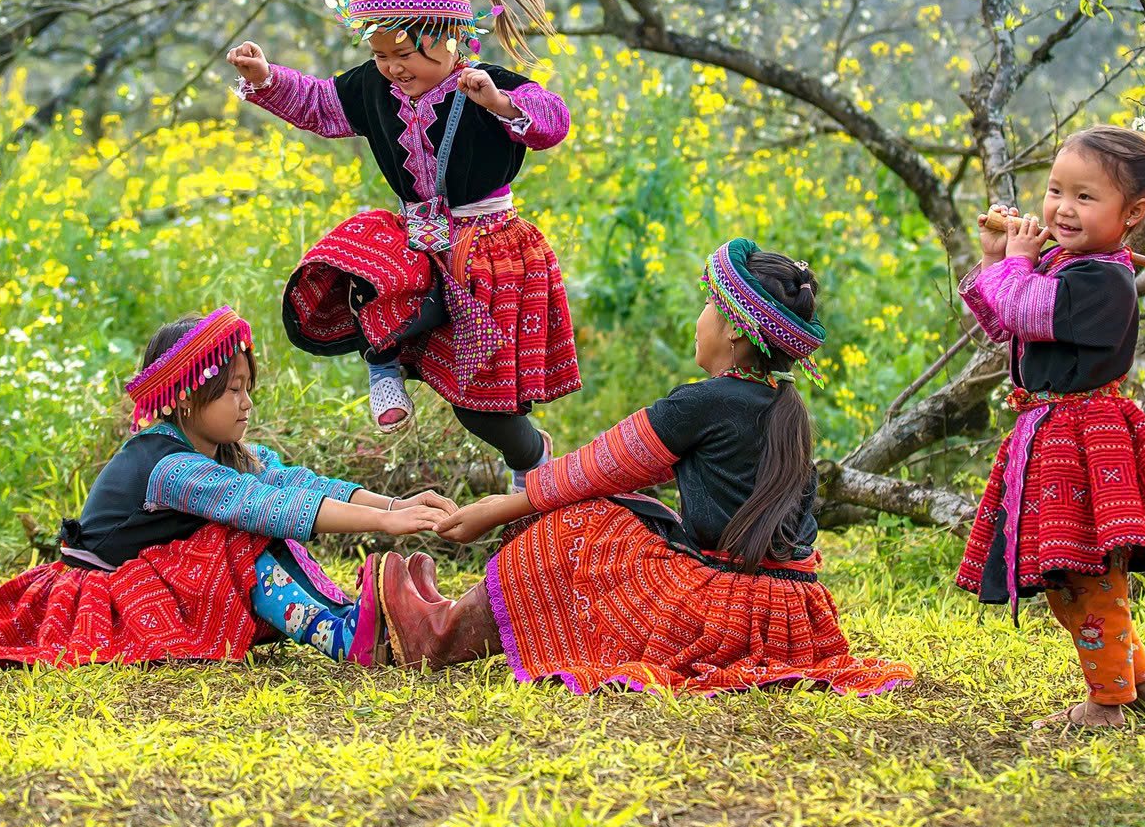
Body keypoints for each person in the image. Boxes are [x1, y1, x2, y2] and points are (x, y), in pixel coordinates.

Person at [387, 240, 915, 697]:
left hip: (726, 612)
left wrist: (500, 507)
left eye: (711, 303)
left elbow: (597, 468)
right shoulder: (788, 408)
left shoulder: (704, 403)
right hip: (795, 618)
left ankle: (440, 634)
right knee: (635, 510)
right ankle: (459, 613)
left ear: (733, 328)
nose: (701, 316)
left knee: (581, 523)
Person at [0, 308, 452, 667]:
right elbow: (263, 506)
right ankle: (351, 632)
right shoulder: (169, 467)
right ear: (186, 397)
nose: (246, 403)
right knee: (239, 536)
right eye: (232, 390)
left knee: (248, 524)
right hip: (110, 595)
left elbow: (295, 484)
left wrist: (395, 505)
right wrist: (384, 523)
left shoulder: (221, 454)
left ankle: (358, 620)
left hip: (157, 581)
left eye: (246, 388)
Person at [228, 0, 578, 485]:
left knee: (479, 403)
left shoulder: (487, 82)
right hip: (416, 233)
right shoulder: (374, 86)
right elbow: (321, 103)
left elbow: (553, 121)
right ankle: (382, 362)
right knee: (360, 258)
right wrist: (266, 78)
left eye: (404, 53)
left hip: (486, 247)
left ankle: (530, 460)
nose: (392, 67)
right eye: (380, 53)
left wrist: (500, 103)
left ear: (450, 38)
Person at [956, 127, 1145, 727]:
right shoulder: (1067, 264)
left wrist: (1018, 265)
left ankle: (1108, 701)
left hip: (1083, 438)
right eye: (1055, 191)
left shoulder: (1101, 280)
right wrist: (1000, 261)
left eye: (1085, 198)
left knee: (1083, 576)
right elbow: (1002, 324)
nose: (1062, 209)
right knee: (1075, 575)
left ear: (1133, 214)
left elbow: (1022, 306)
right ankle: (1139, 681)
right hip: (1052, 433)